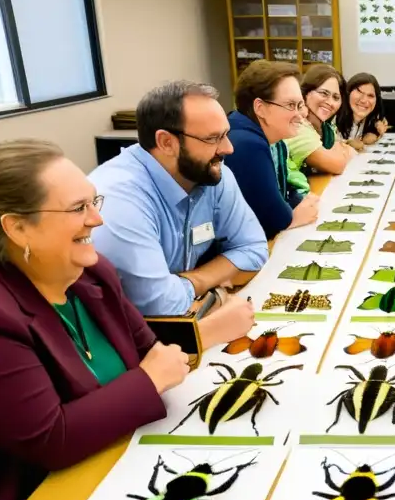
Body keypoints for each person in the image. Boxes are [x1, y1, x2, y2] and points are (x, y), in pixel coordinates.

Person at [0, 140, 191, 500]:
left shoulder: (91, 271)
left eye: (95, 202)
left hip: (118, 471)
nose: (97, 219)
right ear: (17, 227)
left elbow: (152, 352)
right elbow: (51, 439)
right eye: (78, 209)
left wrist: (153, 373)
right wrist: (148, 382)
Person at [89, 81, 264, 349]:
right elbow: (163, 306)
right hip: (129, 345)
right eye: (212, 138)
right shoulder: (120, 198)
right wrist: (217, 292)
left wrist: (195, 281)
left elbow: (254, 249)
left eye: (225, 134)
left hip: (184, 329)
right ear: (166, 142)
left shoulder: (212, 172)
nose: (228, 148)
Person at [225, 60, 320, 239]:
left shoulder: (276, 141)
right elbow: (274, 220)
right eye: (291, 105)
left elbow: (285, 194)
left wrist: (294, 207)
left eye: (300, 105)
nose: (300, 115)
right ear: (260, 108)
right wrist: (293, 217)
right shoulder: (246, 145)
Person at [285, 64, 356, 193]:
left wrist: (341, 150)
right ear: (306, 93)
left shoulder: (325, 127)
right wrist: (340, 150)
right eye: (324, 93)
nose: (330, 102)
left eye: (336, 97)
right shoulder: (298, 126)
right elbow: (337, 164)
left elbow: (348, 152)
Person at [336, 72, 389, 150]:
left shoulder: (371, 120)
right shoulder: (332, 118)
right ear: (348, 92)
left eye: (370, 95)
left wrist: (376, 133)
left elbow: (369, 137)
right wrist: (349, 144)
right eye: (359, 92)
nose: (364, 100)